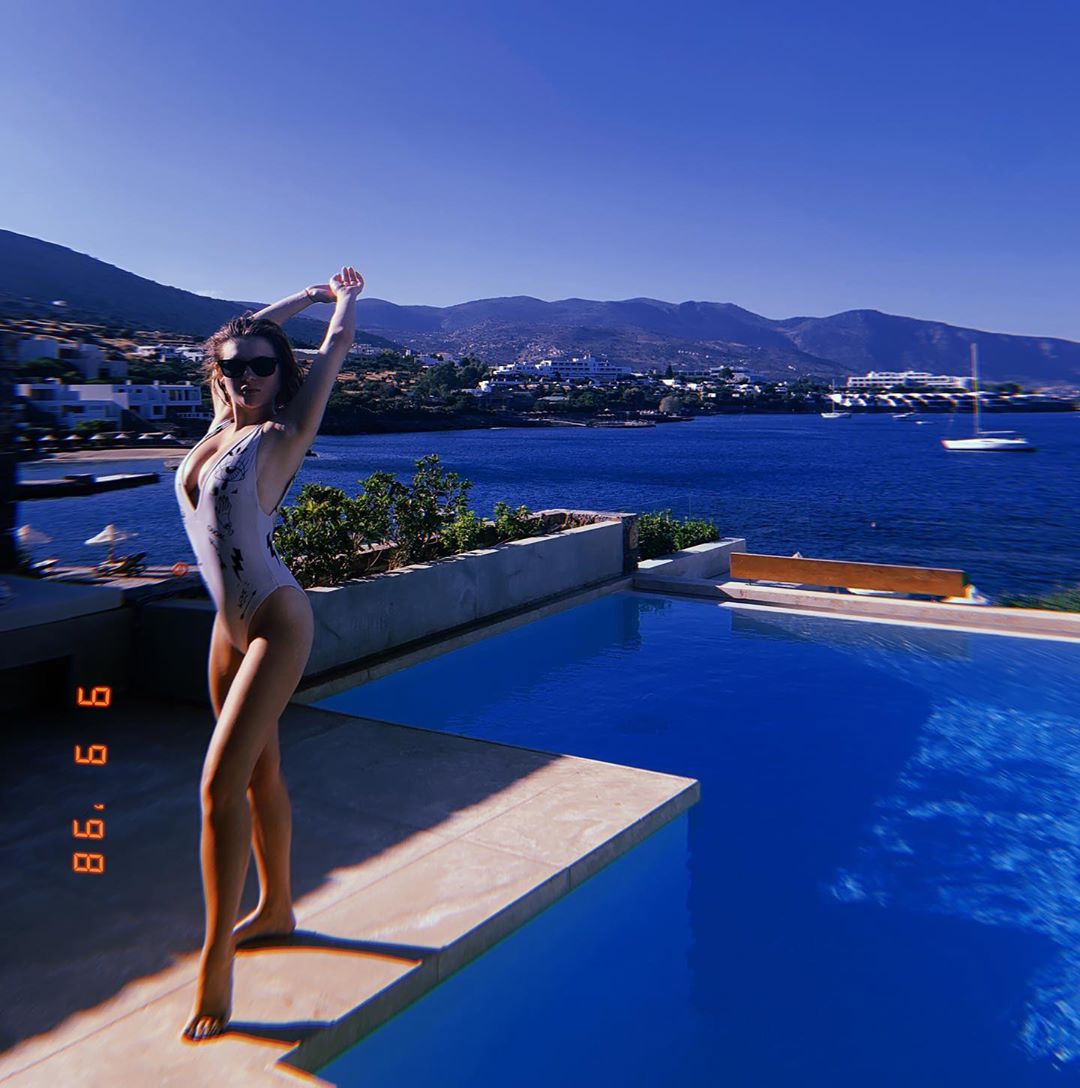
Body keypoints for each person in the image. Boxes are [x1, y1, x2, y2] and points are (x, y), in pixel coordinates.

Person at [178, 265, 365, 1041]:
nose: (249, 376)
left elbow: (334, 347)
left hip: (276, 620)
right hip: (227, 627)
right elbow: (239, 332)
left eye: (264, 366)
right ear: (218, 374)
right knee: (258, 776)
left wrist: (340, 303)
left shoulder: (281, 437)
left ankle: (215, 962)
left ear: (281, 375)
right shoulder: (215, 431)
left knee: (217, 790)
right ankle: (278, 907)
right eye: (236, 367)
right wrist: (301, 296)